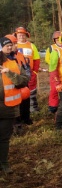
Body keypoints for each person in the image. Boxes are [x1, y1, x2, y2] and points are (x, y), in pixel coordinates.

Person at [0, 37, 30, 174]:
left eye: (10, 45)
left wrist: (10, 74)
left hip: (7, 109)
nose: (9, 48)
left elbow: (24, 81)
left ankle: (4, 163)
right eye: (6, 46)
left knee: (4, 138)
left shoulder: (13, 65)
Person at [5, 34, 31, 134]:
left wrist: (25, 80)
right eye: (13, 43)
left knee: (25, 102)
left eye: (16, 43)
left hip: (22, 83)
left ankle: (26, 119)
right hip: (11, 86)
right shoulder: (4, 58)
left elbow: (26, 68)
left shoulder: (19, 55)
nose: (16, 45)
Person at [14, 27, 40, 113]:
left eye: (23, 34)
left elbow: (36, 59)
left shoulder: (32, 46)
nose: (21, 36)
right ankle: (19, 110)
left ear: (26, 35)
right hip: (17, 73)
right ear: (16, 35)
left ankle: (33, 108)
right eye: (19, 34)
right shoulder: (13, 45)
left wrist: (35, 71)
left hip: (30, 72)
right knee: (17, 91)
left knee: (31, 90)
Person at [46, 31, 62, 113]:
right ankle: (53, 106)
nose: (59, 40)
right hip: (54, 72)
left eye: (60, 38)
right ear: (54, 40)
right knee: (54, 90)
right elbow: (47, 59)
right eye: (57, 39)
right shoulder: (51, 48)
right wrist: (55, 64)